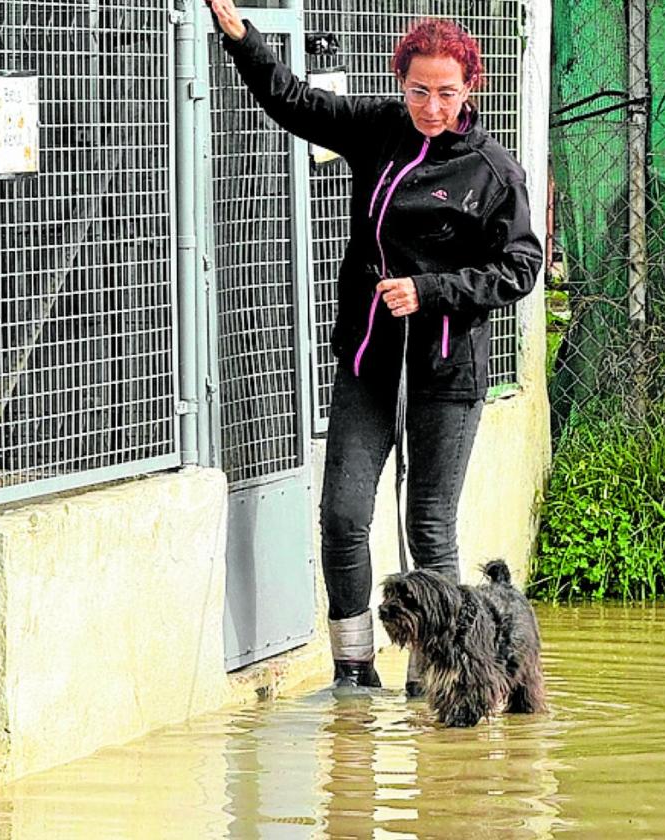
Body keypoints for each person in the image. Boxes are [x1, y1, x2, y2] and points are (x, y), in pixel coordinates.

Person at [207, 0, 542, 692]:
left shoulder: (493, 170)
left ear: (469, 89)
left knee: (429, 524)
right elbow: (295, 103)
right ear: (402, 84)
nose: (430, 105)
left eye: (446, 92)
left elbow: (520, 268)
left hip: (447, 370)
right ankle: (354, 670)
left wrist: (432, 289)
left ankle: (446, 675)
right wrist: (242, 37)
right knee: (343, 515)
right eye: (418, 89)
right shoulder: (378, 129)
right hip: (369, 361)